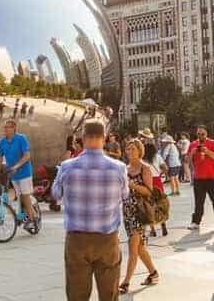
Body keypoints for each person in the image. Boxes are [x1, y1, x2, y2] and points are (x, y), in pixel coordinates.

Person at [51, 120, 128, 301]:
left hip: (77, 239)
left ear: (83, 138)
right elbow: (124, 196)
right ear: (104, 138)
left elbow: (55, 194)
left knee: (77, 295)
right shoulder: (119, 168)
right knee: (109, 294)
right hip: (107, 240)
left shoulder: (67, 166)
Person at [118, 139, 159, 293]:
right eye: (128, 149)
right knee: (140, 247)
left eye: (133, 149)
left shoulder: (145, 168)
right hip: (127, 211)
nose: (129, 152)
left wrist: (132, 185)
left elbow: (149, 191)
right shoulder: (124, 169)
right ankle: (153, 273)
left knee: (133, 246)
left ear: (140, 151)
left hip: (140, 212)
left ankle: (126, 282)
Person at [0, 119, 35, 225]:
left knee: (25, 196)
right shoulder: (2, 141)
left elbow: (27, 155)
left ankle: (32, 219)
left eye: (8, 127)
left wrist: (16, 166)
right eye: (4, 127)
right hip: (13, 174)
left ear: (14, 128)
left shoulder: (21, 138)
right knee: (19, 196)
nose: (5, 129)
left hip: (25, 172)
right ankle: (24, 214)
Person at [186, 126, 214, 231]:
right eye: (199, 134)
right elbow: (187, 161)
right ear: (196, 134)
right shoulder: (193, 144)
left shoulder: (213, 143)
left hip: (213, 177)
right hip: (198, 178)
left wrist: (207, 152)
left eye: (203, 134)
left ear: (206, 134)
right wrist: (192, 153)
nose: (201, 136)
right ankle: (195, 222)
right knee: (199, 201)